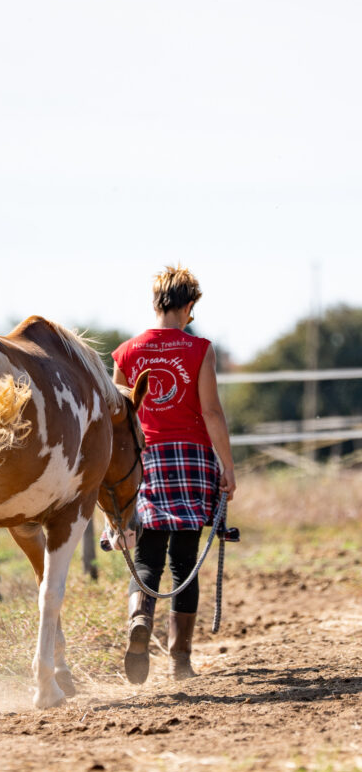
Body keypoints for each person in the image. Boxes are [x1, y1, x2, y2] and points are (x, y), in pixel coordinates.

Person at [112, 266, 236, 684]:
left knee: (146, 558)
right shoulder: (200, 349)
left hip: (144, 459)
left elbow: (120, 418)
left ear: (155, 303)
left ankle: (138, 620)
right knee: (184, 562)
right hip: (192, 460)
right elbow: (212, 411)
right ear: (188, 306)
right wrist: (228, 467)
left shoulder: (127, 353)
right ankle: (180, 661)